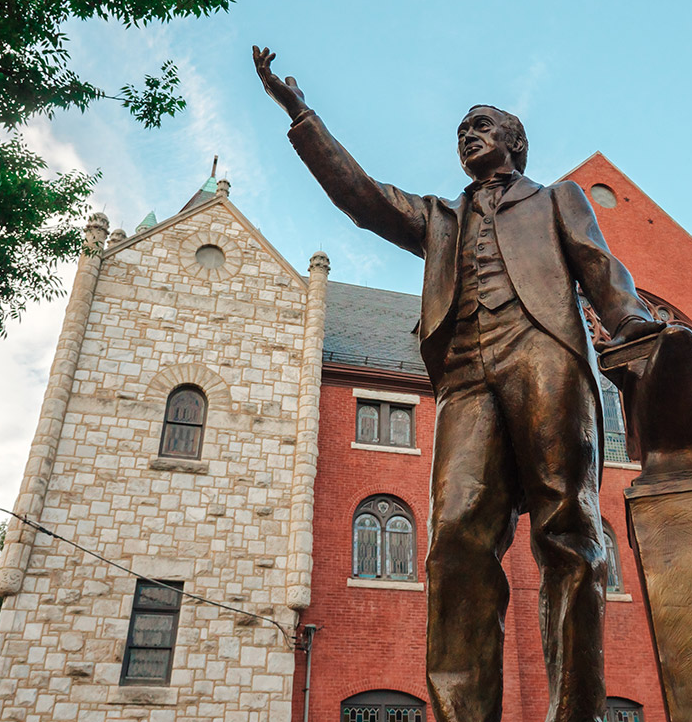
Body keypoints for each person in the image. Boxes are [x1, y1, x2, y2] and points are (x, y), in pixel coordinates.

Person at [253, 47, 663, 722]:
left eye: (479, 125)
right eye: (460, 133)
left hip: (544, 351)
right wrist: (302, 116)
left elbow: (600, 268)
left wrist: (635, 327)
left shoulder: (557, 198)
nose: (466, 136)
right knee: (455, 538)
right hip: (467, 371)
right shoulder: (441, 218)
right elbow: (361, 197)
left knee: (568, 530)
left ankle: (576, 712)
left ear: (513, 142)